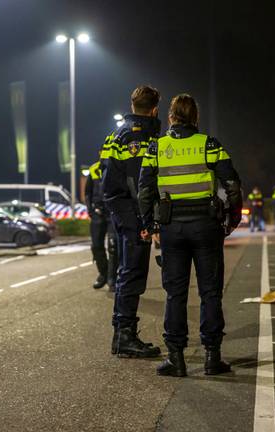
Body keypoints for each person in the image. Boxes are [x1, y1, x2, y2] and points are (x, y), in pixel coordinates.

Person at [138, 93, 243, 377]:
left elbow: (145, 190)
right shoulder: (209, 144)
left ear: (170, 117)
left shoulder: (156, 148)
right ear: (195, 117)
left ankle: (176, 358)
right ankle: (212, 357)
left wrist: (150, 224)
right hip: (206, 227)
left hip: (172, 228)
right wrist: (232, 219)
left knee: (175, 294)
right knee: (210, 293)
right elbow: (232, 184)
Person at [101, 85, 162, 358]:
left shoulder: (117, 134)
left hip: (121, 208)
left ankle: (121, 334)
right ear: (155, 108)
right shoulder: (139, 135)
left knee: (128, 271)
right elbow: (140, 184)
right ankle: (124, 336)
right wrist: (145, 221)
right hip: (133, 212)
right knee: (132, 272)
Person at [85, 159, 118, 291]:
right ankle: (103, 274)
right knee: (96, 246)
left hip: (112, 213)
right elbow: (88, 192)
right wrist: (90, 210)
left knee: (113, 246)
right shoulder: (93, 169)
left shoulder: (115, 166)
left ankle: (112, 278)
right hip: (97, 213)